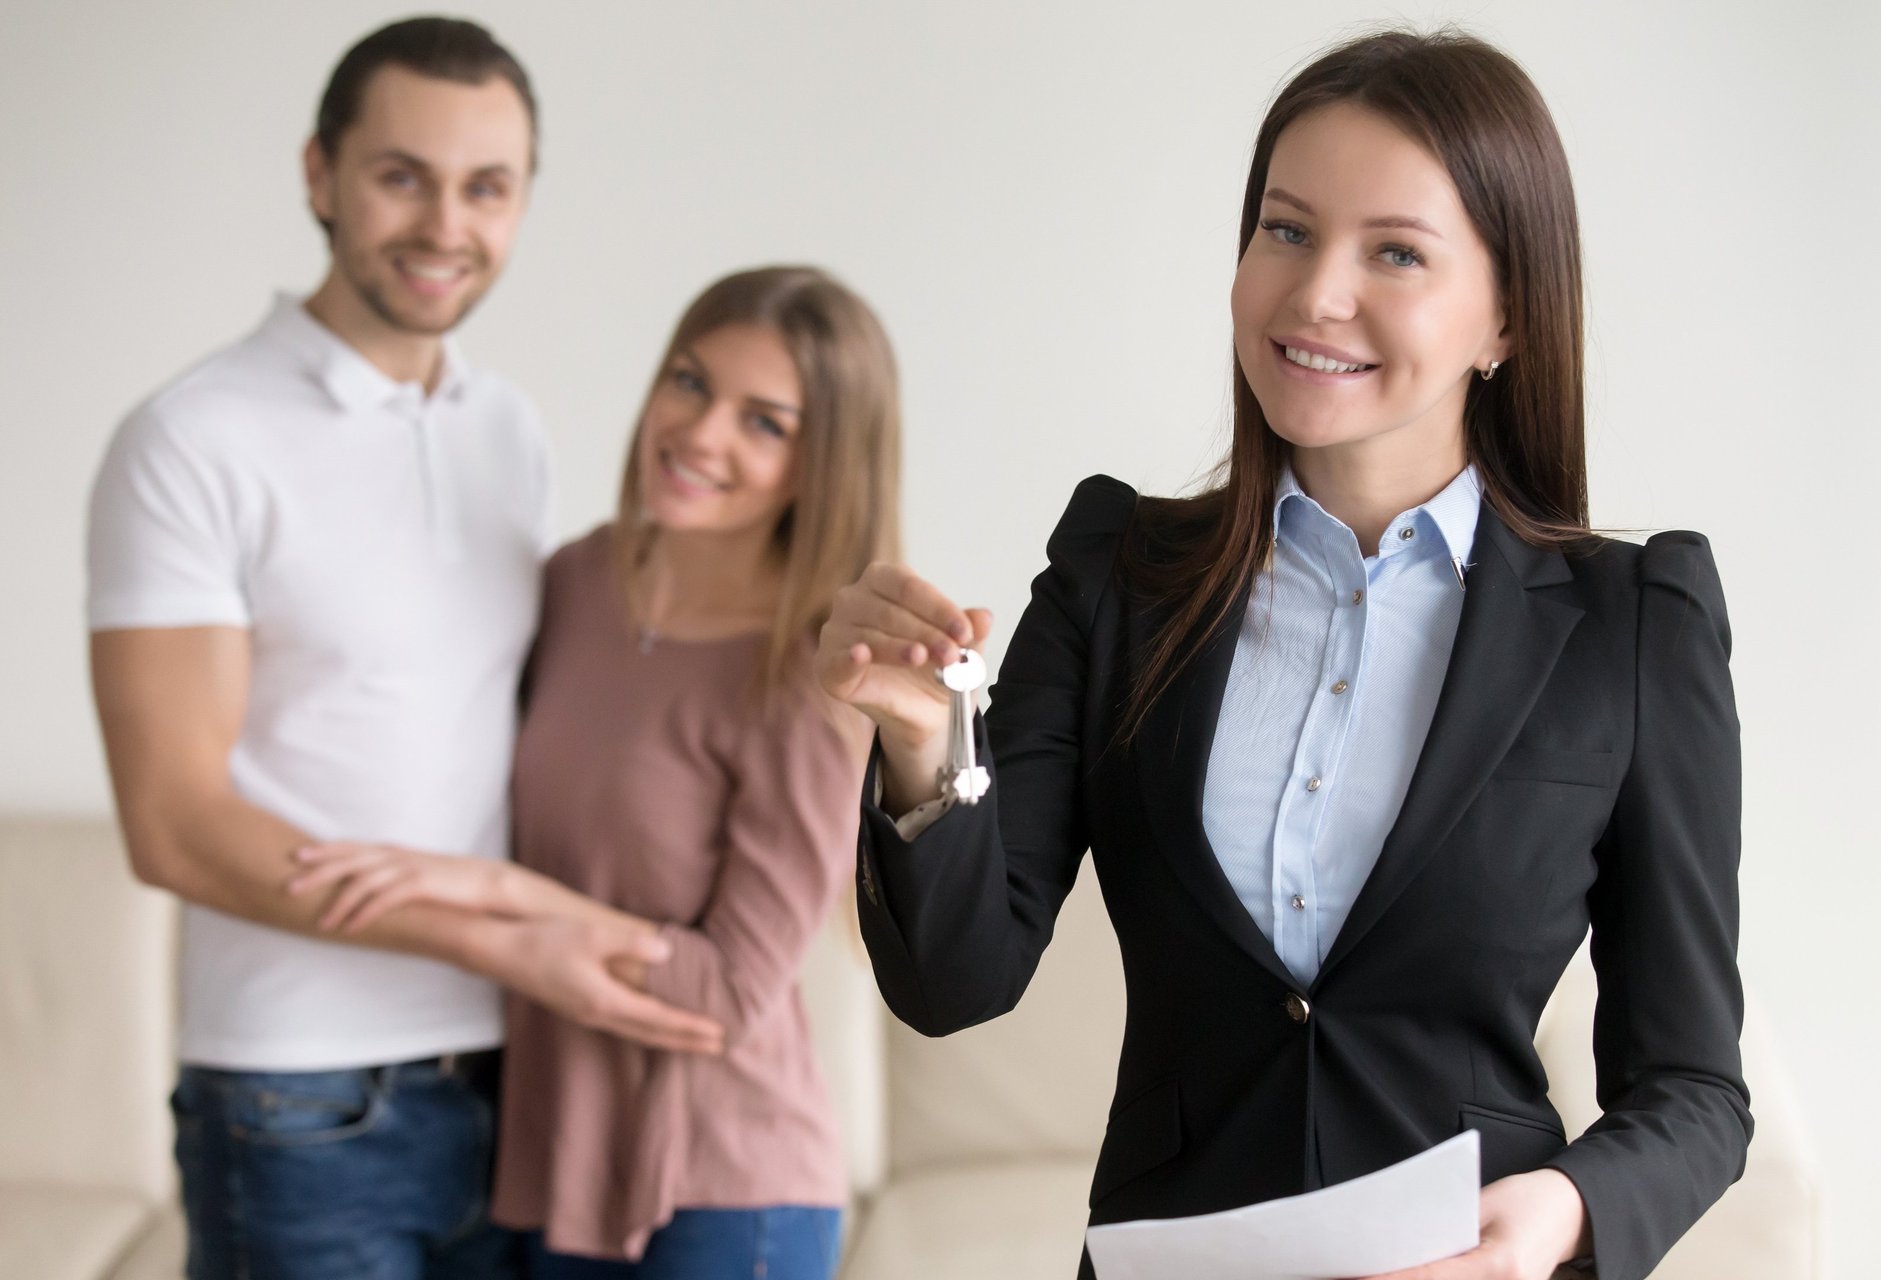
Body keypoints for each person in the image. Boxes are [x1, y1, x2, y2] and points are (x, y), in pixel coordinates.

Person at [817, 28, 1748, 1280]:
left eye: (1397, 253)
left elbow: (1692, 1086)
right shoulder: (1120, 571)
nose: (1315, 295)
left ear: (1508, 315)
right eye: (1286, 229)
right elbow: (954, 981)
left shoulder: (1632, 622)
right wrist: (923, 746)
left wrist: (1559, 1213)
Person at [88, 17, 719, 1279]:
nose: (446, 224)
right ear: (320, 174)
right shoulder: (192, 438)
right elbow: (171, 819)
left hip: (520, 1071)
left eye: (486, 186)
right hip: (297, 1097)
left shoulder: (507, 428)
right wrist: (497, 937)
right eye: (401, 175)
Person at [288, 265, 901, 1279]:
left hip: (727, 1189)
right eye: (690, 382)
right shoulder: (573, 582)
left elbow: (728, 989)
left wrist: (494, 890)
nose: (700, 433)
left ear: (823, 462)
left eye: (765, 422)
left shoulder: (807, 670)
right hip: (544, 1161)